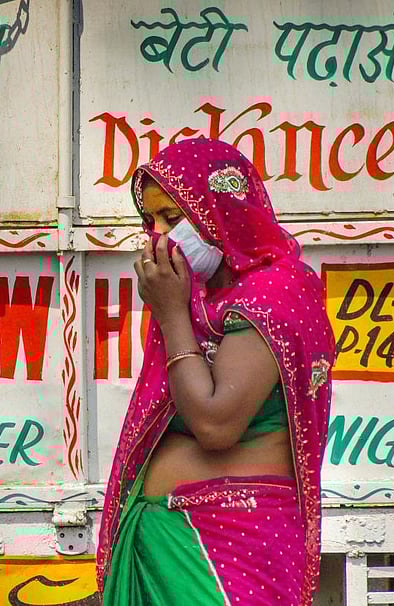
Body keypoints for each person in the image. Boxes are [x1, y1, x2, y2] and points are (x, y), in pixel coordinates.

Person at [96, 138, 335, 605]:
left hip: (230, 548)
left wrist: (170, 314)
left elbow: (215, 423)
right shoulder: (200, 298)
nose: (158, 236)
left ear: (219, 213)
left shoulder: (274, 295)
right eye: (150, 221)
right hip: (168, 540)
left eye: (172, 217)